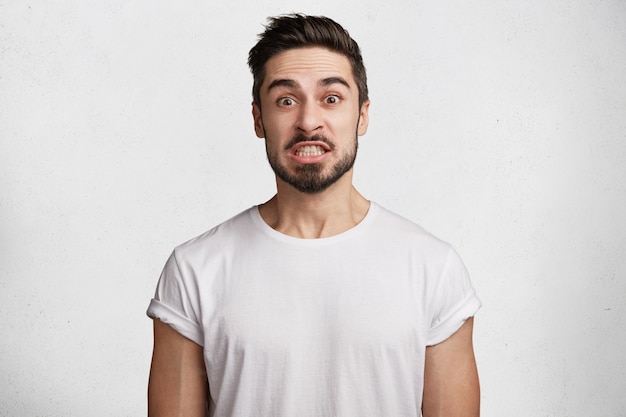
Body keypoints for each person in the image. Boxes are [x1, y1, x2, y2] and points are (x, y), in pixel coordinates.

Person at [147, 13, 481, 417]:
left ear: (362, 115)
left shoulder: (433, 267)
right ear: (258, 119)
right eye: (286, 100)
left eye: (332, 98)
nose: (308, 121)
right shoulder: (195, 270)